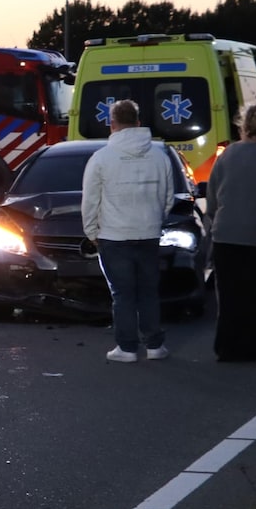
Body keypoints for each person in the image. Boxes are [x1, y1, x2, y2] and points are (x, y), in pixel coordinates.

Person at [81, 99, 173, 364]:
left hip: (113, 235)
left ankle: (127, 347)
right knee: (148, 291)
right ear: (138, 122)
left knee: (122, 293)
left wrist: (91, 232)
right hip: (149, 233)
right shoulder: (159, 155)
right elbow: (167, 196)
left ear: (113, 125)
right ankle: (155, 345)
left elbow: (91, 200)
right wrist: (156, 220)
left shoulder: (101, 158)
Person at [206, 104, 256, 362]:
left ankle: (228, 347)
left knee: (229, 295)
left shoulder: (227, 155)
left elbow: (212, 199)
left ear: (244, 125)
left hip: (227, 235)